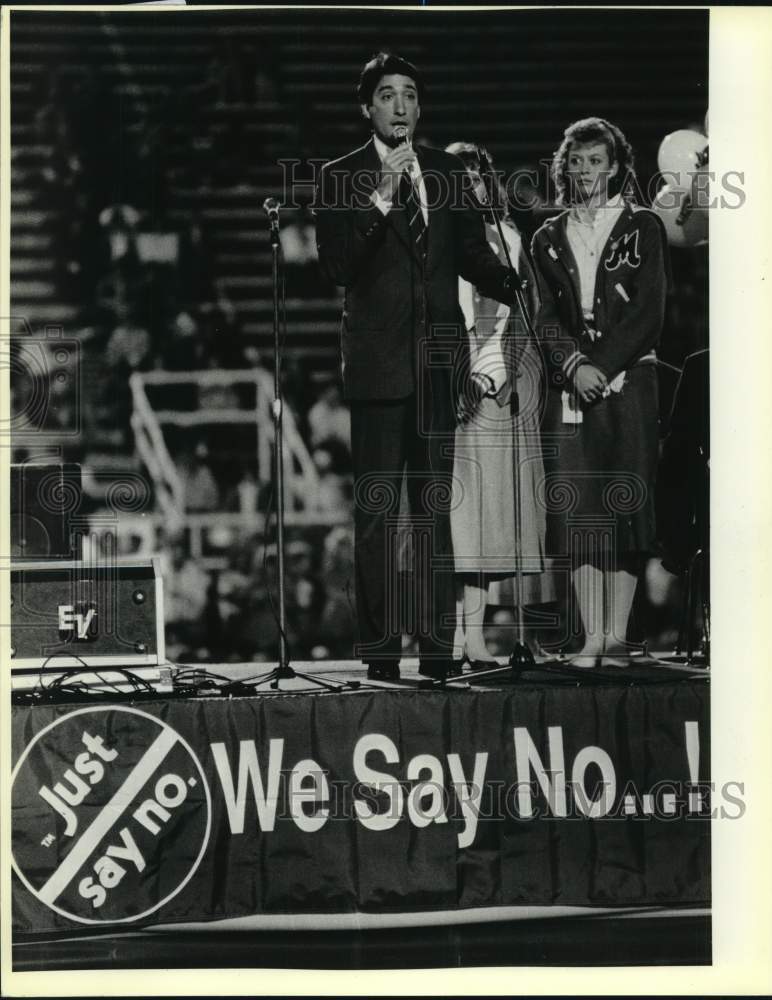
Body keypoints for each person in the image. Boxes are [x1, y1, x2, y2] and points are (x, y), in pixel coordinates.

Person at [314, 52, 514, 681]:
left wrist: (516, 282)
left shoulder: (448, 171)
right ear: (367, 107)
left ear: (419, 107)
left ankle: (434, 650)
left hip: (437, 366)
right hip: (376, 369)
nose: (399, 106)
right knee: (376, 514)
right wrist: (380, 197)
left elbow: (472, 258)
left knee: (432, 510)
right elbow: (338, 267)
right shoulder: (339, 177)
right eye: (386, 95)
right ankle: (378, 652)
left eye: (409, 95)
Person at [531, 117, 669, 667]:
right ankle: (592, 638)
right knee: (581, 511)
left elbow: (647, 313)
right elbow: (543, 316)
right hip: (573, 391)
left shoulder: (644, 226)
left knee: (626, 508)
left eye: (596, 161)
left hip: (631, 383)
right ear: (565, 166)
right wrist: (573, 366)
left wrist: (603, 366)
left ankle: (617, 637)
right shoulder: (547, 236)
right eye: (577, 161)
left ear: (614, 166)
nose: (585, 171)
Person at [446, 143, 548, 669]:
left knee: (500, 516)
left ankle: (499, 634)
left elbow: (523, 311)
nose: (470, 186)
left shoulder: (510, 238)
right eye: (457, 178)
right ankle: (464, 635)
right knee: (466, 520)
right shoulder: (439, 239)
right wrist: (461, 372)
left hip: (506, 385)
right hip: (461, 387)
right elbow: (447, 316)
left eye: (476, 177)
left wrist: (508, 372)